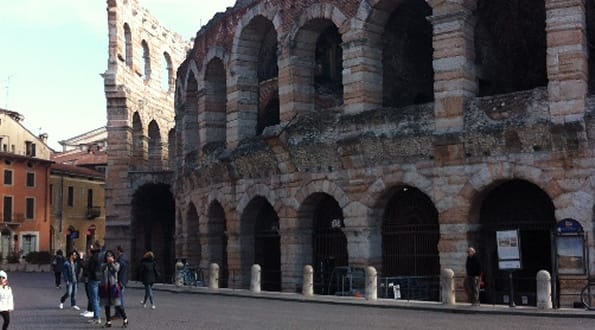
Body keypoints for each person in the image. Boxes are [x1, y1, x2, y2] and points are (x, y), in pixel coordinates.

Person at [100, 250, 128, 328]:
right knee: (107, 305)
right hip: (105, 287)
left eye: (110, 256)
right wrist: (107, 264)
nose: (109, 257)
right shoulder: (103, 265)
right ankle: (108, 321)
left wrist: (111, 263)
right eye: (107, 256)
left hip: (113, 287)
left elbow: (116, 270)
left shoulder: (116, 264)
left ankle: (125, 319)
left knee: (117, 304)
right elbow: (102, 269)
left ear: (113, 257)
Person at [86, 244, 102, 325]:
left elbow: (90, 268)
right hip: (100, 279)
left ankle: (97, 317)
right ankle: (98, 315)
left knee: (94, 299)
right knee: (98, 299)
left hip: (93, 279)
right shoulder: (101, 256)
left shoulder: (93, 258)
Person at [112, 246, 128, 320]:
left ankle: (119, 314)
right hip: (123, 281)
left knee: (118, 299)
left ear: (119, 250)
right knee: (119, 298)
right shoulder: (124, 258)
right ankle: (119, 314)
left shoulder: (120, 260)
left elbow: (117, 271)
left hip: (119, 281)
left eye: (116, 250)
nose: (115, 252)